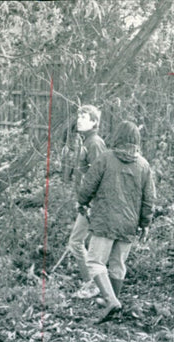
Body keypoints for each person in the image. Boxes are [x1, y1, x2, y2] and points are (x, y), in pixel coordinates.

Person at [77, 121, 155, 323]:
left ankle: (111, 301)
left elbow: (88, 185)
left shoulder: (105, 159)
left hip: (105, 220)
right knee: (118, 264)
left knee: (94, 262)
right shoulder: (144, 166)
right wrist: (145, 224)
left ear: (117, 137)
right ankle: (113, 301)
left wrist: (82, 203)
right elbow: (149, 199)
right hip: (129, 223)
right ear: (137, 141)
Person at [68, 104, 107, 300]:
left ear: (94, 122)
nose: (79, 120)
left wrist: (90, 202)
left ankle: (92, 284)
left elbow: (100, 176)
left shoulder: (95, 143)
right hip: (88, 202)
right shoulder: (86, 141)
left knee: (76, 242)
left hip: (94, 203)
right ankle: (96, 282)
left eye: (84, 117)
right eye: (79, 116)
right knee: (83, 243)